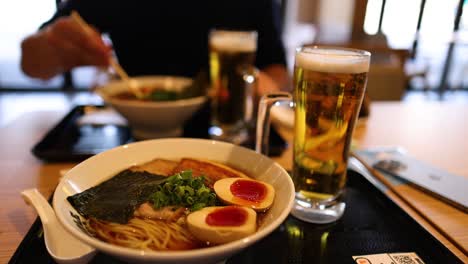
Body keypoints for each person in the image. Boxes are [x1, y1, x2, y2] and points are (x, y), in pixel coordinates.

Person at [20, 0, 290, 95]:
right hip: (129, 127)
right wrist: (52, 50)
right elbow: (30, 62)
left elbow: (278, 72)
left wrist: (265, 85)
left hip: (223, 126)